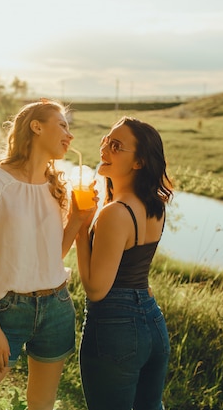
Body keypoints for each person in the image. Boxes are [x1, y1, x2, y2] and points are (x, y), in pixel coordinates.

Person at [0, 99, 95, 410]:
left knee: (41, 404)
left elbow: (54, 256)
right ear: (36, 127)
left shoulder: (57, 188)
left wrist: (78, 219)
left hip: (57, 308)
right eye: (63, 125)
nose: (70, 134)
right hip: (8, 311)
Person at [75, 116, 173, 410]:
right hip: (153, 322)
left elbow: (96, 289)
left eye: (116, 146)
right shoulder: (155, 205)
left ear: (139, 162)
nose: (105, 149)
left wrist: (81, 229)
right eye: (106, 140)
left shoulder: (115, 213)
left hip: (115, 328)